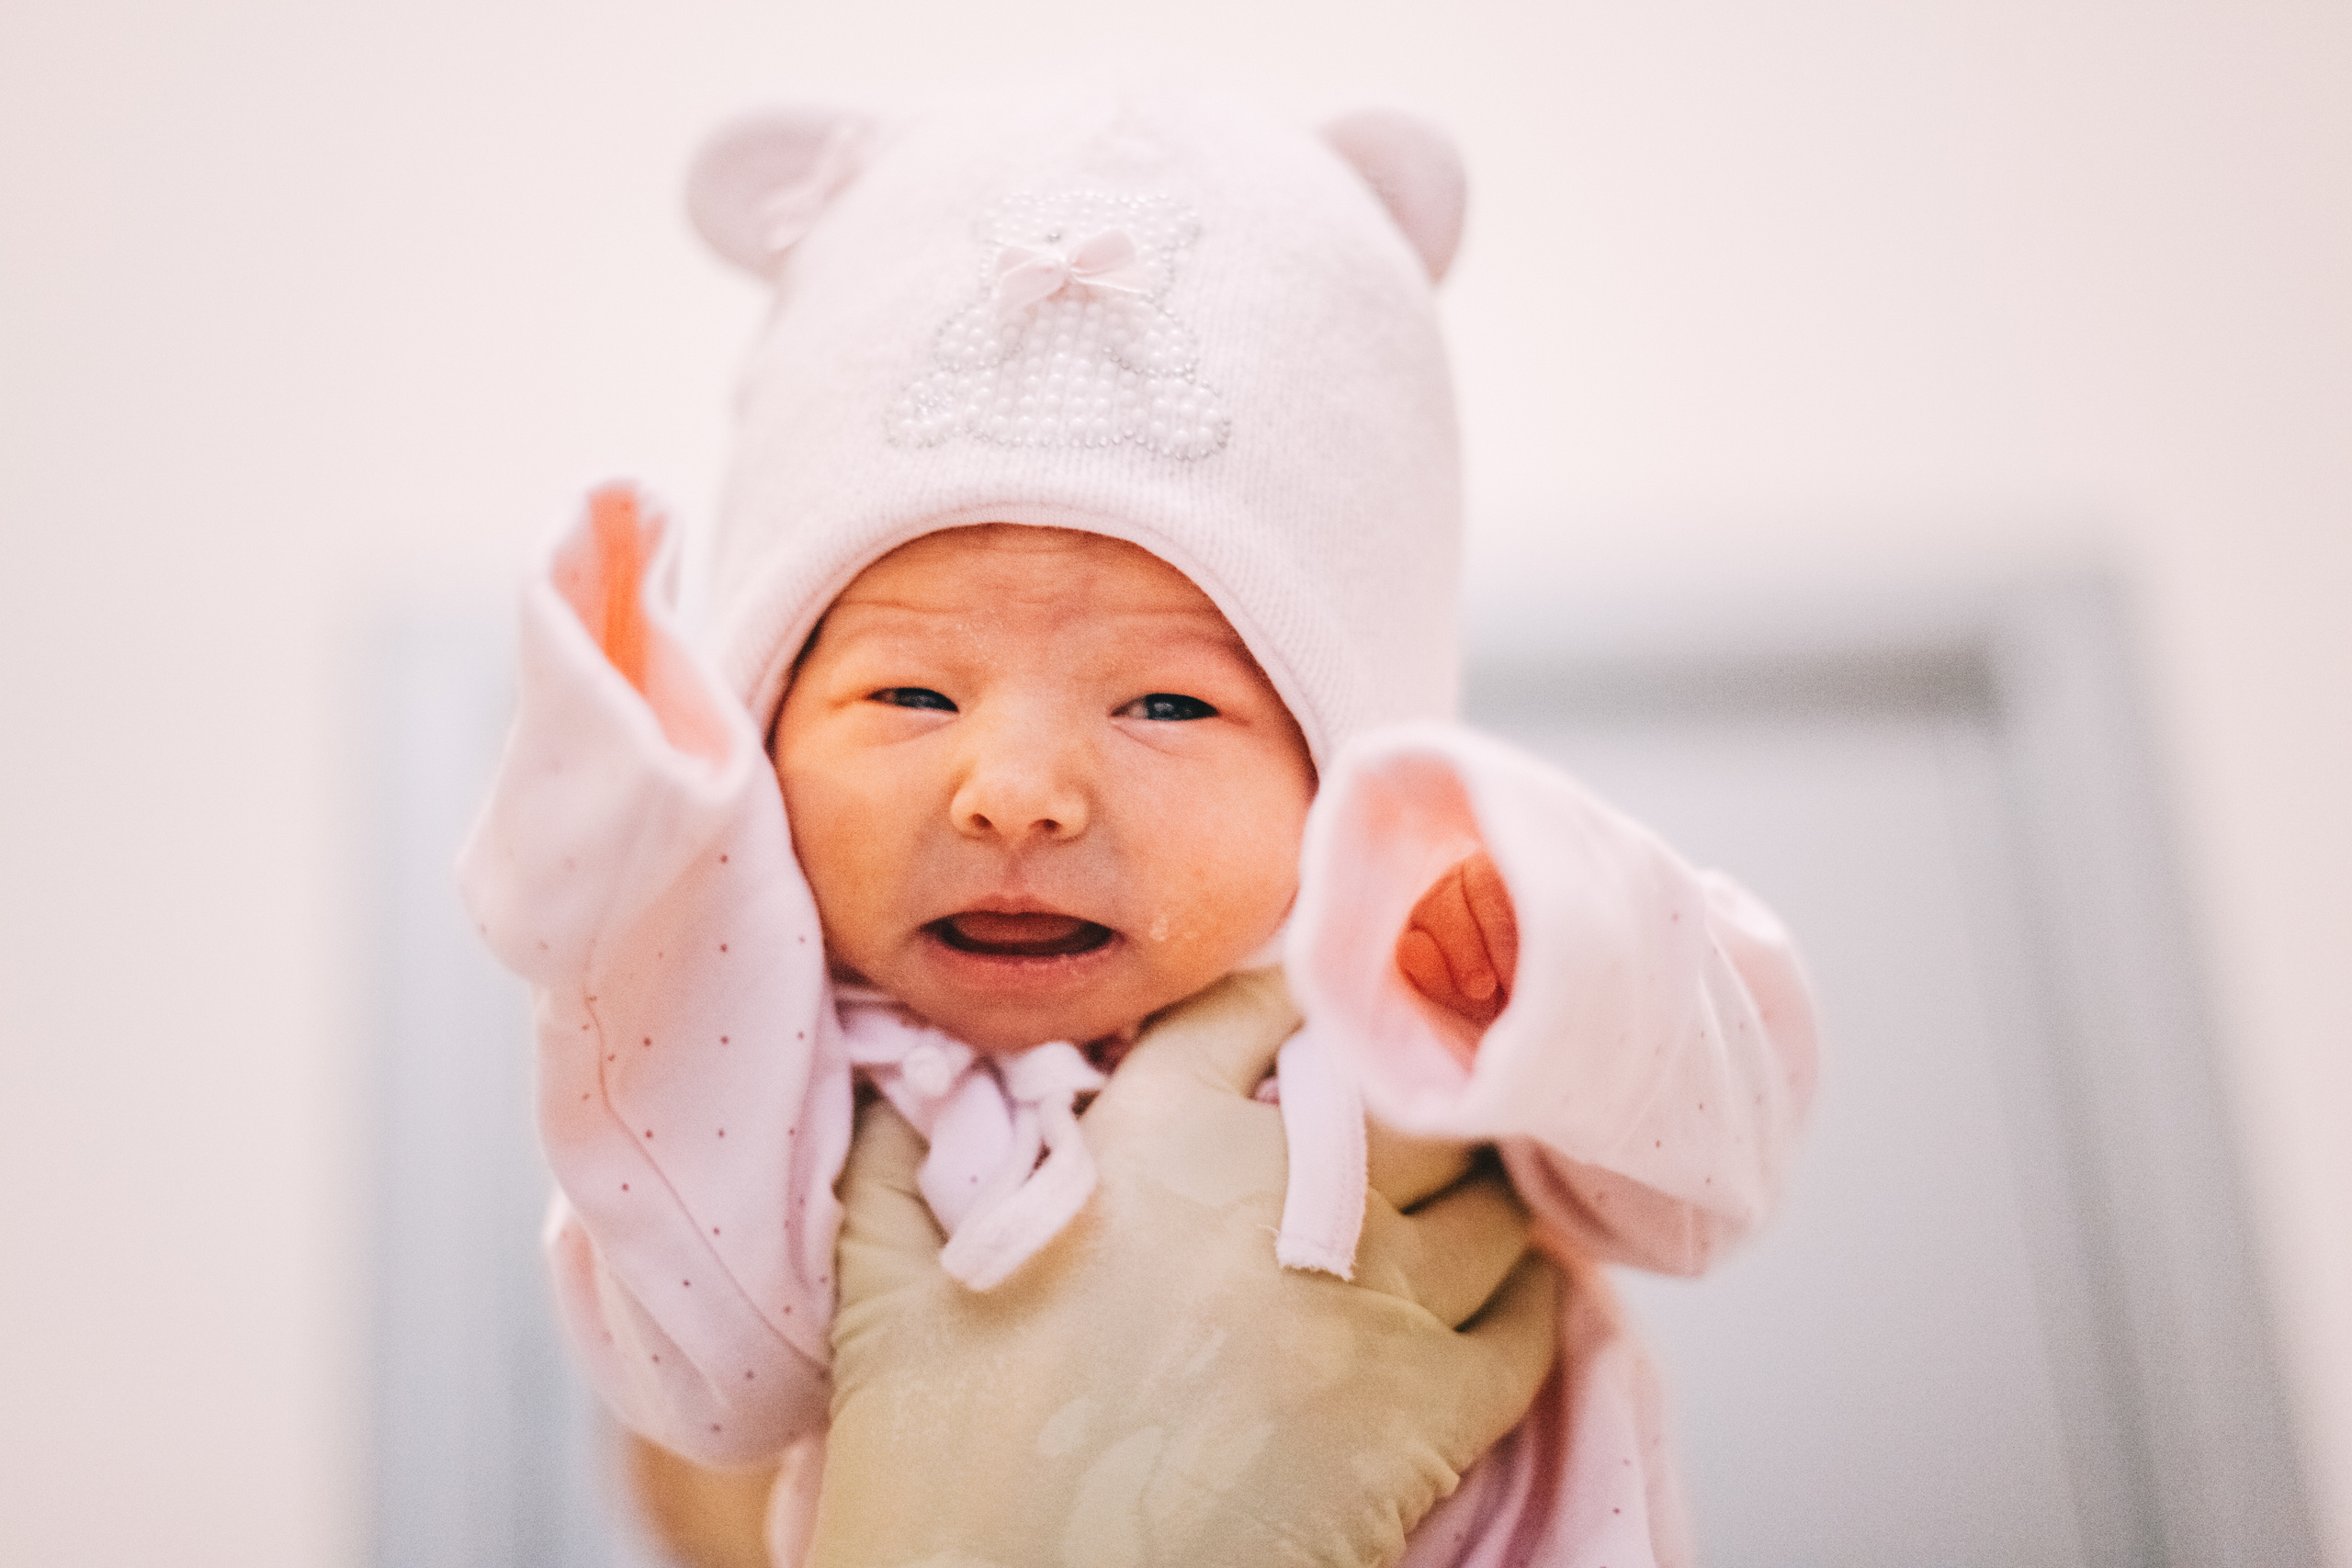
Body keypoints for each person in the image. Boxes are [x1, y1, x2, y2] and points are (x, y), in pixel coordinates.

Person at [460, 90, 1817, 1568]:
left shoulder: (1425, 998)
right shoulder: (797, 1079)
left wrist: (1560, 966)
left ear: (1349, 773)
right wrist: (653, 873)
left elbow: (1707, 1187)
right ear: (762, 732)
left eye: (1167, 707)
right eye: (912, 692)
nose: (1017, 791)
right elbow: (709, 1381)